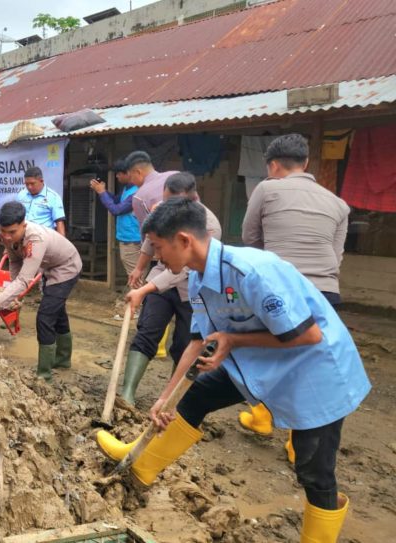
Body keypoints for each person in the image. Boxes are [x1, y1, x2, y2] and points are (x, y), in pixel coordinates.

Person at [96, 198, 370, 543]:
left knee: (314, 469)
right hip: (259, 360)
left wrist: (232, 340)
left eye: (158, 247)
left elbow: (309, 335)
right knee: (195, 395)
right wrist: (165, 398)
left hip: (314, 370)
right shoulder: (197, 280)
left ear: (184, 240)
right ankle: (141, 463)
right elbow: (198, 341)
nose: (156, 257)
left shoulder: (252, 271)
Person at [238, 133, 351, 460]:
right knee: (307, 364)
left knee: (262, 351)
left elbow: (250, 237)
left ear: (273, 165)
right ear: (306, 163)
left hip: (281, 288)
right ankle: (295, 444)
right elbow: (336, 255)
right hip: (325, 292)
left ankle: (262, 415)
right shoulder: (339, 204)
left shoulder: (266, 189)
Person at [119, 173, 221, 406]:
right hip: (161, 277)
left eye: (171, 201)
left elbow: (184, 269)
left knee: (186, 343)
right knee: (147, 330)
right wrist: (139, 268)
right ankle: (127, 394)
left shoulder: (209, 226)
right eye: (165, 200)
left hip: (192, 288)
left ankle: (173, 401)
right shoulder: (163, 212)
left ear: (191, 198)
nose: (166, 205)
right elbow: (151, 241)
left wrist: (144, 290)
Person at [0, 202, 82, 381]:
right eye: (3, 231)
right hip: (50, 266)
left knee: (45, 317)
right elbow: (15, 262)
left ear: (23, 225)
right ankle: (63, 360)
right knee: (57, 311)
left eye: (12, 232)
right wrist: (11, 295)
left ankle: (44, 374)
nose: (7, 237)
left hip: (67, 268)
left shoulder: (35, 239)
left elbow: (24, 280)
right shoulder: (9, 237)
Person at [126, 150, 180, 287]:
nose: (131, 181)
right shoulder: (176, 176)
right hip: (197, 245)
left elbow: (149, 236)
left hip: (169, 254)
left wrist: (139, 268)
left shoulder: (139, 197)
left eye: (131, 177)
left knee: (152, 291)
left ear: (138, 172)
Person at [90, 158, 143, 277]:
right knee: (136, 275)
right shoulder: (127, 189)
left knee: (135, 277)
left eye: (119, 173)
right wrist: (103, 191)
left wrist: (102, 193)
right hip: (129, 238)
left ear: (128, 173)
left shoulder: (136, 193)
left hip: (133, 240)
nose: (117, 176)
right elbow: (115, 200)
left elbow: (116, 210)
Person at [16, 166, 66, 236]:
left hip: (44, 237)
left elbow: (59, 223)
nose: (29, 187)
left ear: (41, 181)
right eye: (27, 184)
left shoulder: (53, 197)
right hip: (24, 236)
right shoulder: (21, 195)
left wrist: (62, 241)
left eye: (32, 183)